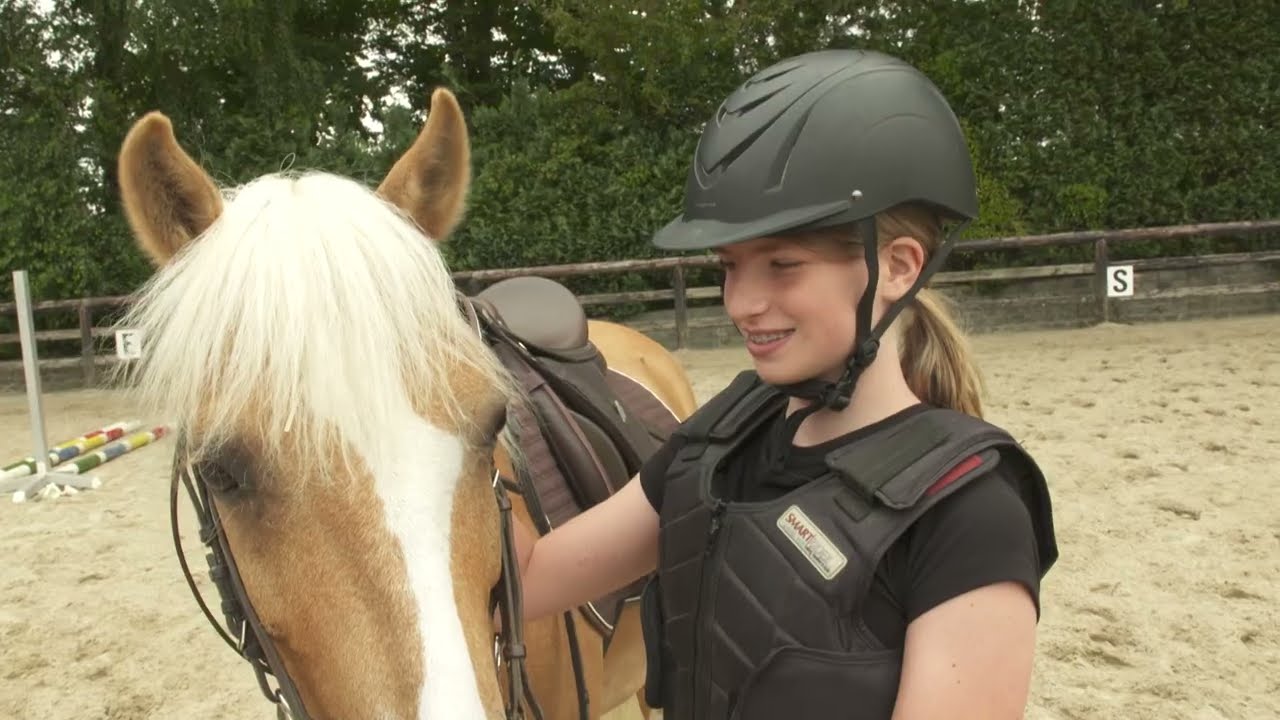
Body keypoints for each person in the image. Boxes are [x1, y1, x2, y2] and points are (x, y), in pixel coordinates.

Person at [508, 48, 1058, 719]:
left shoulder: (970, 512)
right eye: (730, 267)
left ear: (897, 266)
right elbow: (531, 579)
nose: (742, 303)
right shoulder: (722, 440)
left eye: (783, 265)